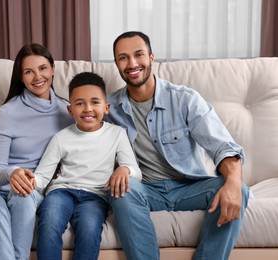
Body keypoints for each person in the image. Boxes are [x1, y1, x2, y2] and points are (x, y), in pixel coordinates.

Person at [105, 31, 250, 260]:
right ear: (116, 64)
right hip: (146, 190)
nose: (132, 63)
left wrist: (233, 181)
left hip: (189, 187)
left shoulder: (185, 99)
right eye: (123, 58)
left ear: (151, 57)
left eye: (138, 54)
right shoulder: (107, 108)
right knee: (122, 191)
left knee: (238, 187)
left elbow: (224, 147)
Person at [0, 43, 74, 260]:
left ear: (53, 69)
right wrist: (13, 173)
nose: (37, 76)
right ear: (21, 77)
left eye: (42, 68)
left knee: (24, 195)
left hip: (30, 192)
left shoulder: (66, 111)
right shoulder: (8, 112)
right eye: (28, 71)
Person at [30, 72, 142, 260]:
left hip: (96, 197)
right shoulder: (60, 138)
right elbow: (42, 176)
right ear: (70, 110)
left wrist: (124, 169)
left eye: (95, 102)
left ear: (106, 108)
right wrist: (29, 181)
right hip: (62, 192)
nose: (87, 109)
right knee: (49, 219)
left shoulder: (117, 134)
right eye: (80, 103)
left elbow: (136, 172)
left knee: (90, 229)